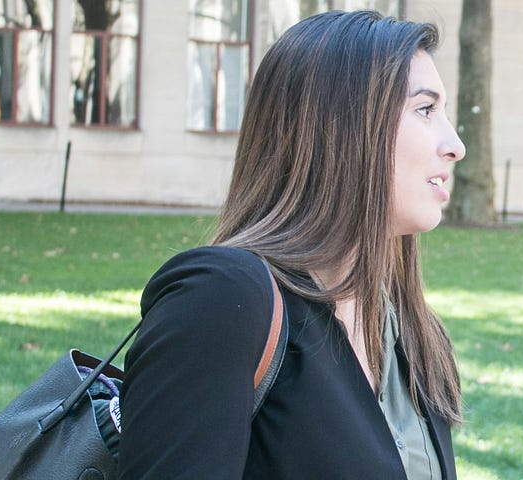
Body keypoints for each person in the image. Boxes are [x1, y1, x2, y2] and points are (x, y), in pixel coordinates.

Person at [119, 10, 465, 479]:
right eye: (425, 109)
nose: (455, 144)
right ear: (340, 126)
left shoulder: (411, 331)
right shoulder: (222, 301)